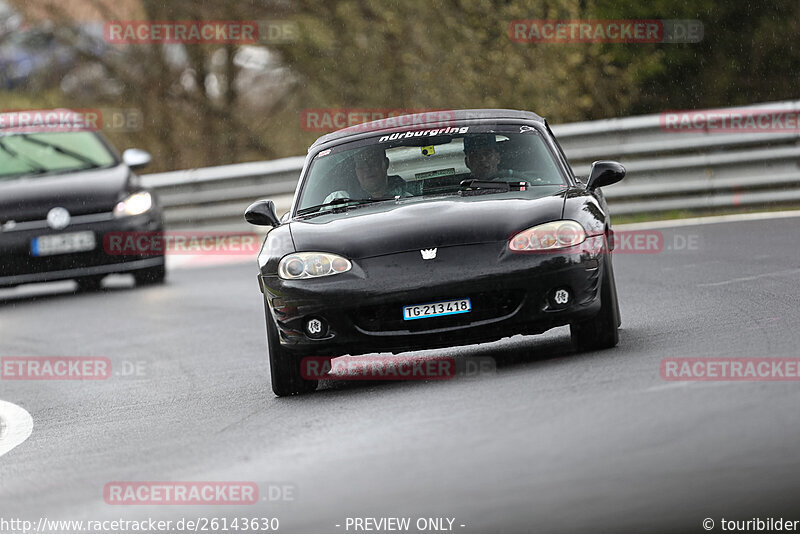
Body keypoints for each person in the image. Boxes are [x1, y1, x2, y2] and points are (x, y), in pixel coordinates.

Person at [323, 145, 408, 204]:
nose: (367, 168)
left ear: (386, 164)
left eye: (373, 161)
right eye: (361, 164)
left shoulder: (409, 200)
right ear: (355, 170)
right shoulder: (335, 202)